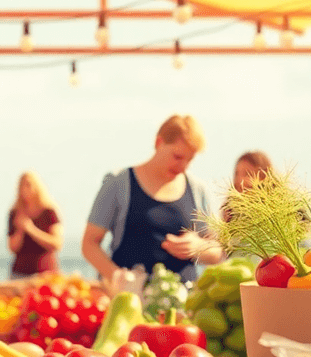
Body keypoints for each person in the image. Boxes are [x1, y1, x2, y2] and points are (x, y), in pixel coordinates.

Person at [82, 114, 223, 285]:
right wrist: (118, 278)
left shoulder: (197, 189)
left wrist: (198, 247)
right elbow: (89, 243)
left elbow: (218, 251)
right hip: (129, 300)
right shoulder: (118, 183)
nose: (183, 166)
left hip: (185, 302)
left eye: (189, 159)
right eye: (177, 157)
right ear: (158, 143)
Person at [7, 171, 64, 277]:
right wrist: (20, 230)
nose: (24, 189)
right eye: (21, 185)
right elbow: (12, 247)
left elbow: (57, 243)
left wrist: (31, 230)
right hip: (20, 273)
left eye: (28, 185)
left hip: (46, 273)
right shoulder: (15, 213)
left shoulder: (49, 212)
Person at [221, 151, 273, 222]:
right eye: (237, 174)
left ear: (264, 177)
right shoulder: (229, 213)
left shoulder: (275, 215)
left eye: (247, 174)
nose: (240, 180)